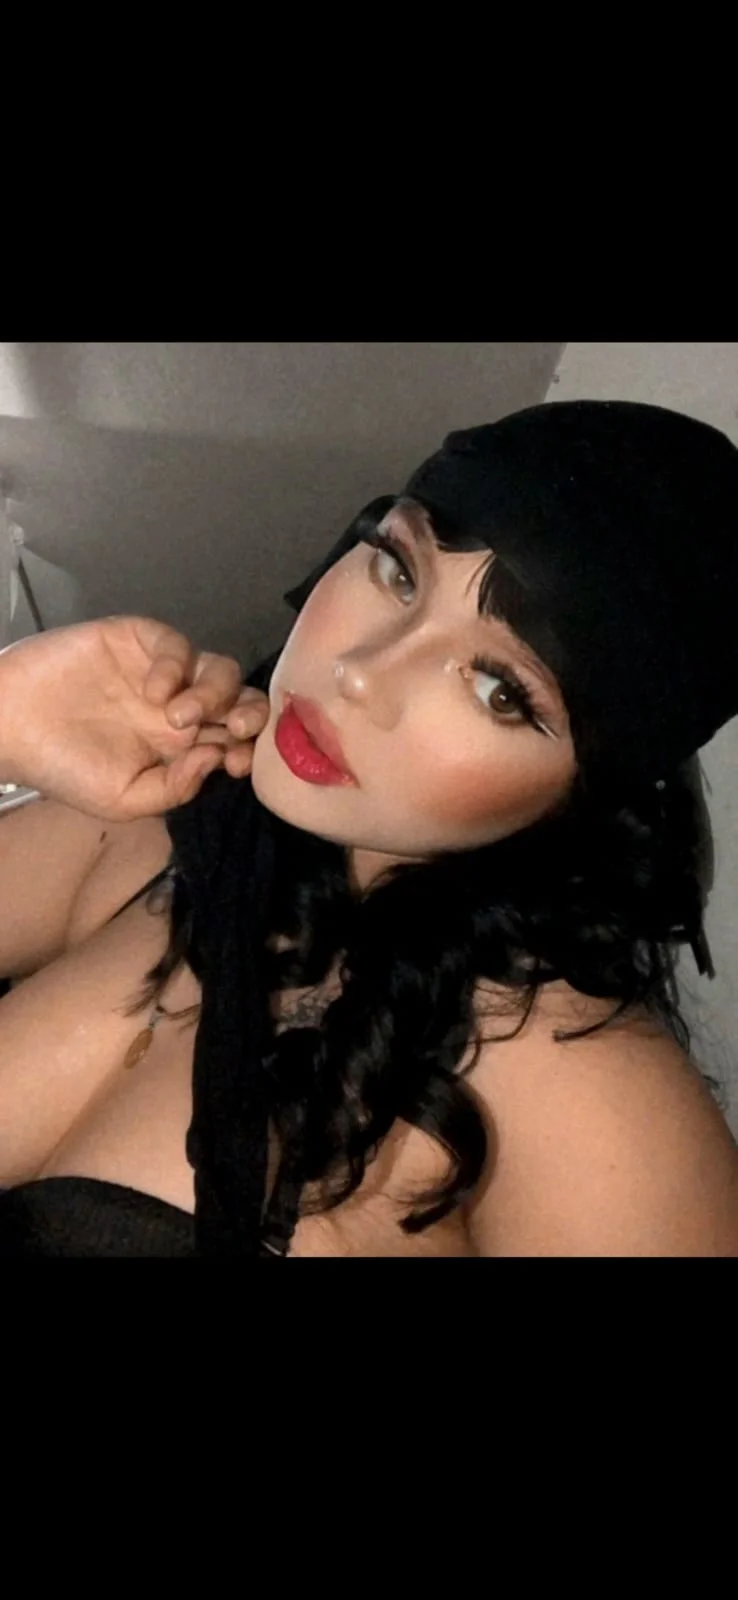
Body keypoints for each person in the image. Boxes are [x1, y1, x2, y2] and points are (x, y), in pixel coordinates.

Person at [1, 399, 738, 1256]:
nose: (361, 673)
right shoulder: (178, 831)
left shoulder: (598, 1115)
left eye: (498, 688)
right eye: (397, 569)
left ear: (587, 790)